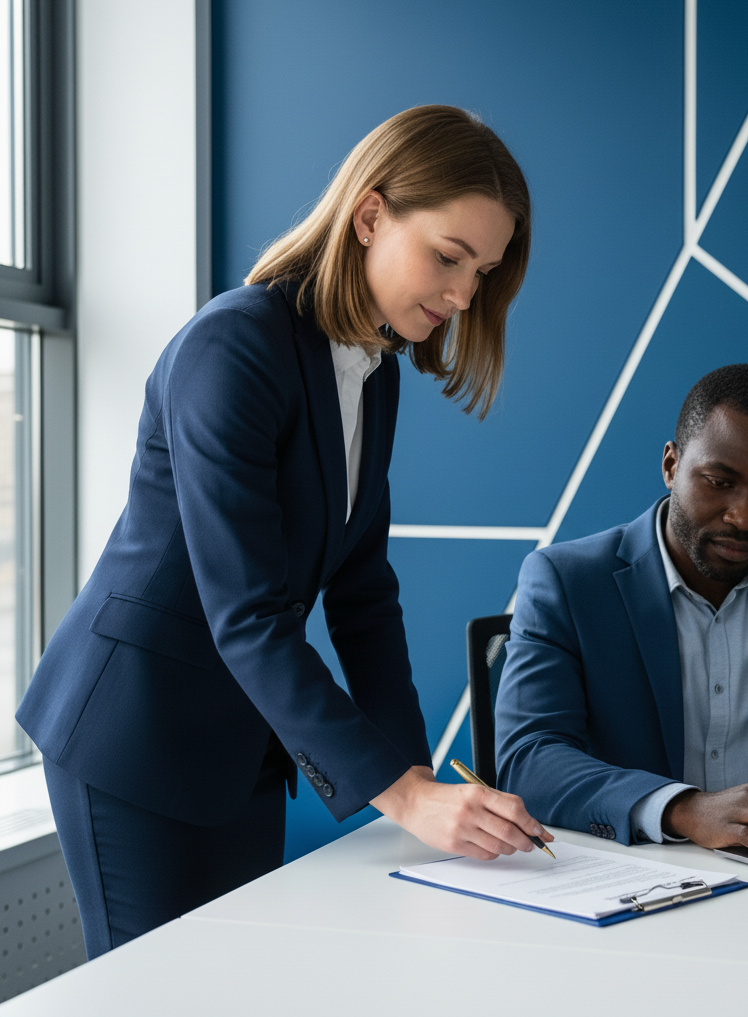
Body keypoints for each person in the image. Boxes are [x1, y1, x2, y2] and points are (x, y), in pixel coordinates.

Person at [17, 105, 551, 958]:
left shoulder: (375, 375)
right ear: (370, 215)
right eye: (449, 257)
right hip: (133, 737)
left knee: (239, 990)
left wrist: (414, 782)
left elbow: (364, 595)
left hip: (240, 742)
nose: (461, 295)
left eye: (481, 273)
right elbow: (249, 613)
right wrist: (402, 796)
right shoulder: (232, 347)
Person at [494, 364, 748, 861]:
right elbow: (529, 759)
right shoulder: (566, 581)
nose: (744, 516)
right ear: (672, 465)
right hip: (632, 878)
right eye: (720, 482)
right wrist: (684, 808)